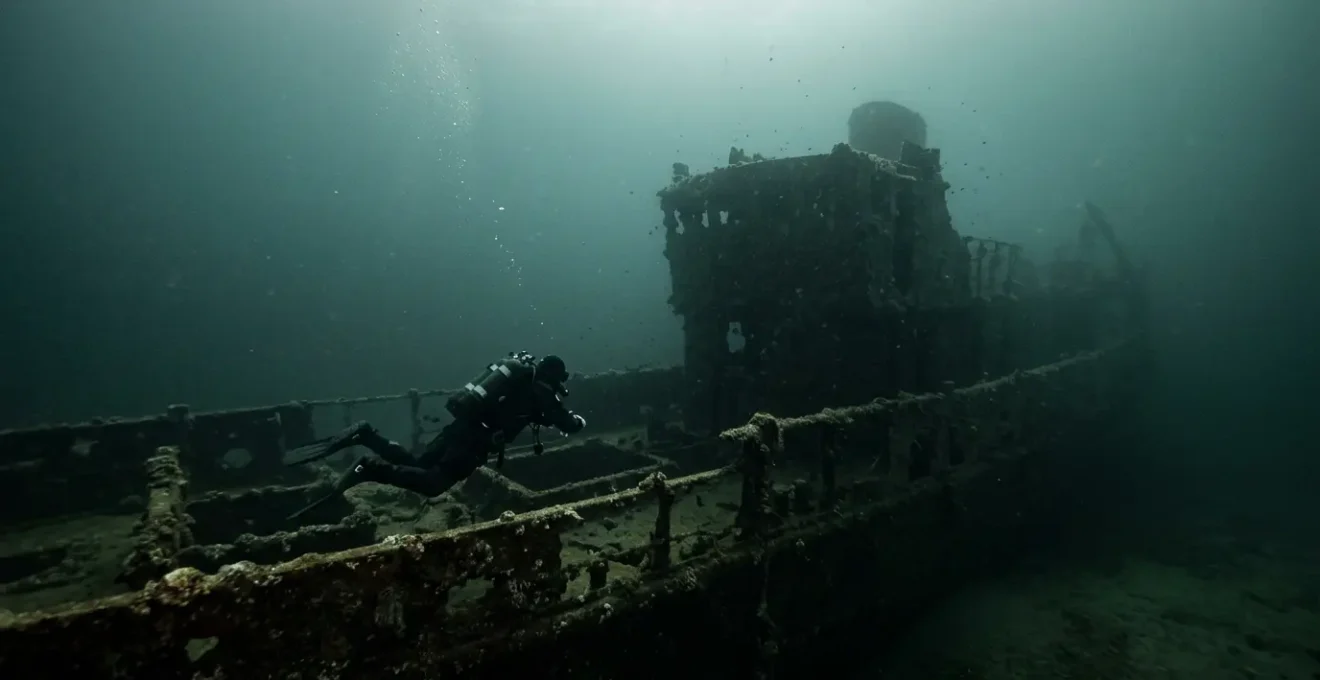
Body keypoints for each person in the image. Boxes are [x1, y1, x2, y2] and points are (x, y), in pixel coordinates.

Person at [286, 352, 587, 519]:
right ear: (553, 377)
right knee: (433, 484)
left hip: (460, 427)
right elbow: (567, 423)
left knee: (419, 463)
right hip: (473, 444)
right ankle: (370, 467)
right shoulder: (542, 392)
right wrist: (578, 420)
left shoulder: (519, 382)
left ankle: (368, 436)